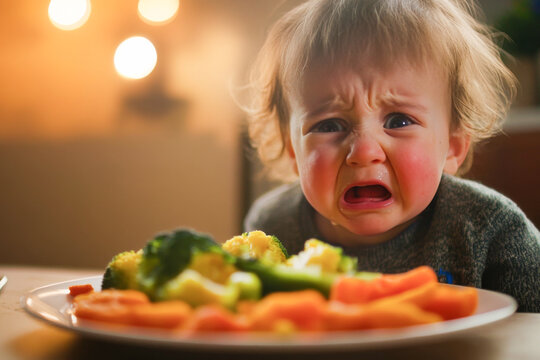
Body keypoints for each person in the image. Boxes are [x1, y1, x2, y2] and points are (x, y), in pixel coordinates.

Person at [241, 0, 540, 312]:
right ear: (293, 150)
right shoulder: (273, 228)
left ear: (453, 145)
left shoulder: (492, 229)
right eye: (329, 125)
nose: (364, 153)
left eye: (398, 121)